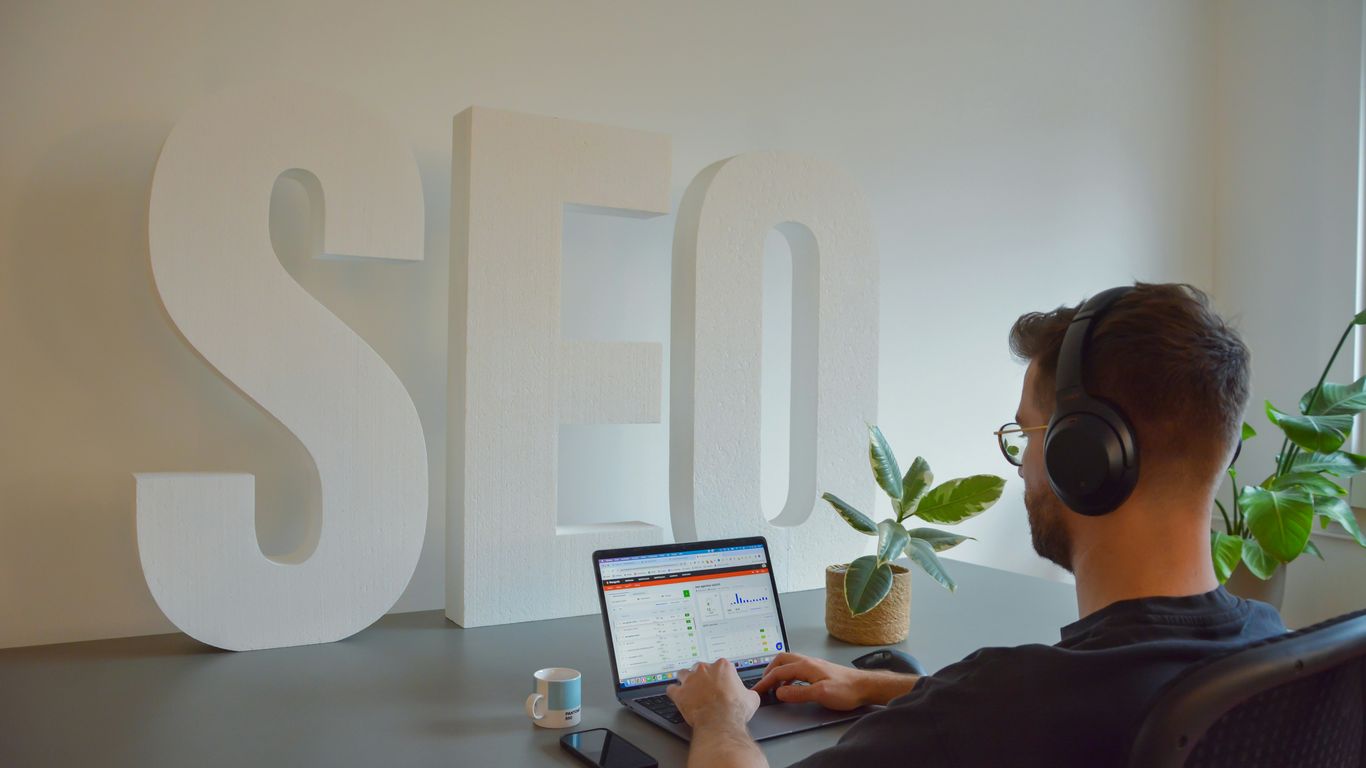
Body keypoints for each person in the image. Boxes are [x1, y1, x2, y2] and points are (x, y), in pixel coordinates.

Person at [665, 283, 1286, 768]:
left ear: (1086, 457)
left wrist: (719, 716)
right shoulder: (1273, 653)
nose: (1021, 467)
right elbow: (1053, 714)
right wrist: (878, 685)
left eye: (1028, 434)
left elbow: (1006, 714)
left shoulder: (1001, 705)